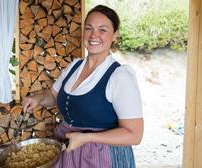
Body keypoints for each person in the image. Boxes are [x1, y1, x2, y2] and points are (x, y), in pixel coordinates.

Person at [22, 4, 143, 168]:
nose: (94, 35)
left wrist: (86, 137)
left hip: (102, 157)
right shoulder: (74, 67)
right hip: (68, 151)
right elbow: (52, 95)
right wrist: (37, 98)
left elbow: (134, 135)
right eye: (89, 28)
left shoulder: (120, 76)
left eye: (103, 30)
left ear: (115, 35)